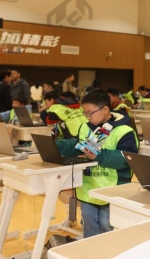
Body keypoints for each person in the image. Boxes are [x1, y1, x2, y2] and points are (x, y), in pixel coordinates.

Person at [55, 89, 138, 238]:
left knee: (107, 224)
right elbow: (77, 145)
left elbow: (128, 159)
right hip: (88, 188)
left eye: (90, 113)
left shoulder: (124, 131)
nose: (87, 117)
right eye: (85, 113)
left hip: (113, 189)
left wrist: (100, 155)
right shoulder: (85, 127)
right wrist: (57, 145)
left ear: (105, 109)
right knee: (89, 222)